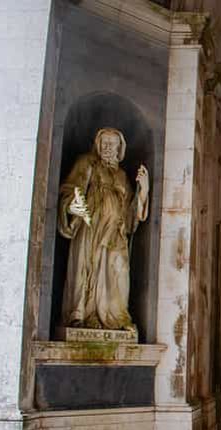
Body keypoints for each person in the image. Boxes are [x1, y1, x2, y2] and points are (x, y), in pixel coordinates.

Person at [58, 128, 149, 331]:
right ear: (98, 146)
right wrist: (72, 205)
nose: (108, 147)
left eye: (112, 143)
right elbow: (69, 189)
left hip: (115, 233)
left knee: (118, 271)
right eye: (104, 143)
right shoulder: (87, 164)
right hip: (90, 228)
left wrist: (144, 191)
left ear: (119, 148)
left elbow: (130, 216)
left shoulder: (123, 176)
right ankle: (81, 314)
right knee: (87, 267)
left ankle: (117, 318)